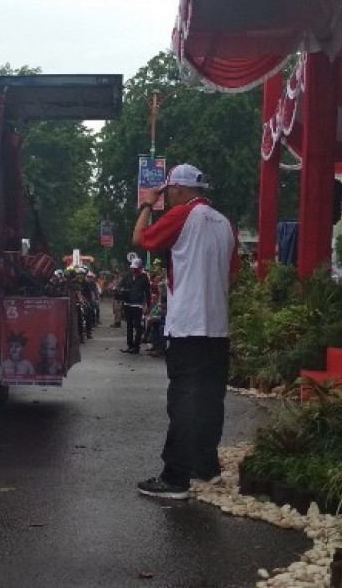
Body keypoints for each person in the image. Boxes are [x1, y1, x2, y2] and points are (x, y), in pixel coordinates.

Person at [132, 163, 237, 500]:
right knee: (209, 400)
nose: (168, 198)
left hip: (189, 324)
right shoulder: (224, 223)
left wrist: (148, 203)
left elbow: (141, 239)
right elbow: (232, 276)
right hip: (217, 327)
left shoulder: (182, 217)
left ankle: (175, 478)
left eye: (168, 192)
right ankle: (205, 467)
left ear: (178, 188)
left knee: (184, 401)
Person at [118, 258, 150, 353]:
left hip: (138, 305)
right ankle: (130, 345)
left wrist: (148, 305)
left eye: (136, 268)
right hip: (128, 303)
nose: (134, 270)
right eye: (133, 268)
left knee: (137, 325)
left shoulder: (144, 277)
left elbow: (148, 292)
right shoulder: (128, 275)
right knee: (129, 325)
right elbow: (121, 285)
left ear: (140, 267)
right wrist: (121, 290)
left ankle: (136, 346)